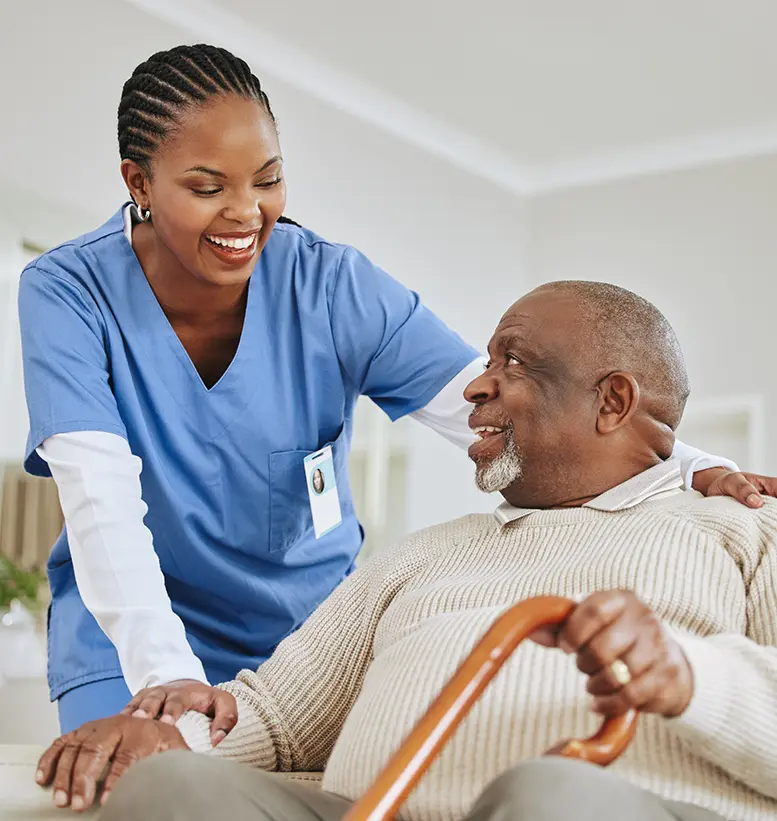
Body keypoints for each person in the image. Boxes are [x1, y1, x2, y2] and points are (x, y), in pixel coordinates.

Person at [18, 43, 772, 737]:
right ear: (137, 181)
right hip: (131, 636)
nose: (247, 213)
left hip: (306, 643)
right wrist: (167, 676)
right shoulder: (68, 293)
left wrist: (682, 461)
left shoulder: (332, 287)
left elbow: (496, 408)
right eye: (207, 186)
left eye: (269, 179)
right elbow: (101, 500)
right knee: (137, 792)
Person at [37, 282, 777, 821]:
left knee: (554, 794)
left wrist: (690, 677)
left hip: (608, 806)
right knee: (170, 787)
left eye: (512, 363)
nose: (476, 386)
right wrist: (162, 739)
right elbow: (274, 718)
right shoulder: (419, 554)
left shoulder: (741, 527)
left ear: (611, 402)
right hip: (372, 811)